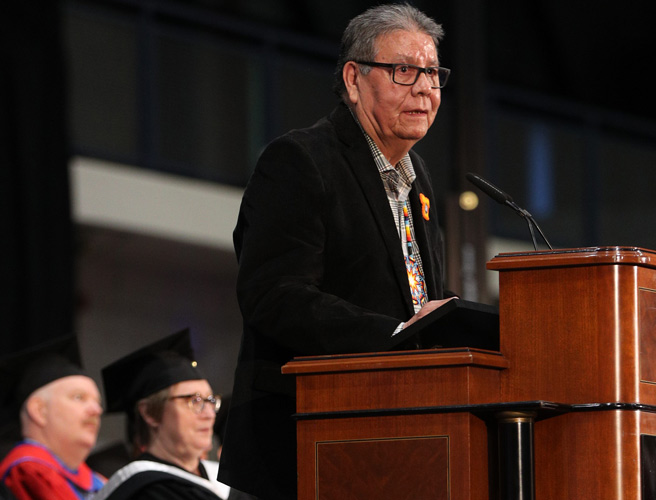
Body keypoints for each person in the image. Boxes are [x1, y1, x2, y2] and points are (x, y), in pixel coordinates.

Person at [217, 4, 455, 498]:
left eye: (433, 73)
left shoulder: (420, 181)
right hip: (301, 447)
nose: (426, 89)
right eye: (404, 71)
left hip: (397, 442)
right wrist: (395, 333)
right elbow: (273, 295)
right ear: (353, 78)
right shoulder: (302, 160)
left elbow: (419, 294)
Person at [93, 329, 252, 500]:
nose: (209, 414)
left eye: (211, 401)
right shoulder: (146, 491)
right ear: (149, 413)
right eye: (194, 400)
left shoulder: (221, 482)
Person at [0, 335, 106, 499]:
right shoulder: (28, 471)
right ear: (39, 410)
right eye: (79, 397)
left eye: (97, 402)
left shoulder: (98, 482)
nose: (96, 410)